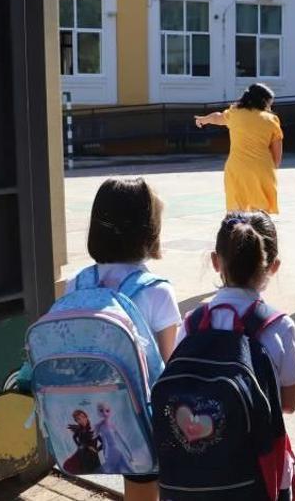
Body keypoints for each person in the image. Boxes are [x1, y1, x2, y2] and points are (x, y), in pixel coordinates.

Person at [76, 176, 183, 500]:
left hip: (90, 414)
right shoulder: (157, 291)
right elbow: (170, 369)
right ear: (147, 229)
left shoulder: (79, 283)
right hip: (143, 423)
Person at [200, 211, 295, 497]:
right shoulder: (279, 327)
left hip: (200, 464)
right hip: (261, 468)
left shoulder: (193, 322)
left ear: (215, 261)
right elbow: (289, 403)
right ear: (274, 266)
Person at [194, 83, 284, 214]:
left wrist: (204, 119)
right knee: (260, 215)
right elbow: (277, 153)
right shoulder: (272, 120)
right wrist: (272, 168)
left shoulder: (235, 113)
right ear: (262, 101)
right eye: (269, 103)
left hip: (237, 168)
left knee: (237, 212)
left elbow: (217, 117)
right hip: (262, 169)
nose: (270, 107)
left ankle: (237, 232)